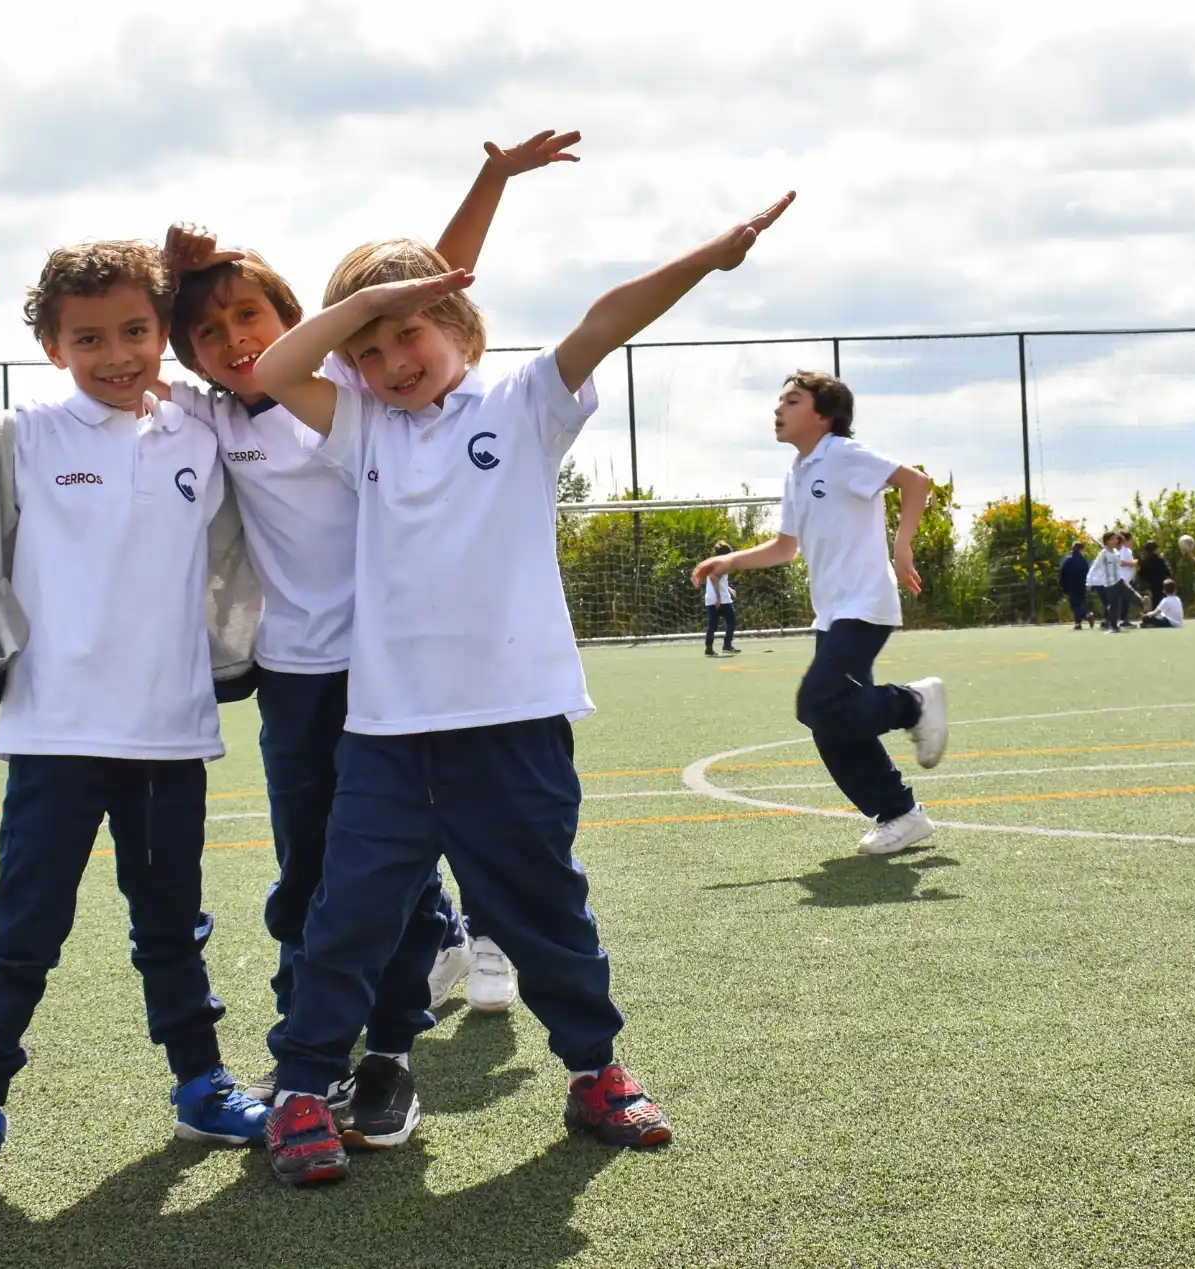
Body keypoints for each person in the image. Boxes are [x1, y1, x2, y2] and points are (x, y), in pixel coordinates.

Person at [250, 191, 799, 1187]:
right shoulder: (363, 427)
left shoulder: (522, 407)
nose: (389, 364)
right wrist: (380, 301)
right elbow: (277, 366)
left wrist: (710, 256)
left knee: (546, 909)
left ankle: (595, 1071)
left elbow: (604, 320)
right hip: (384, 732)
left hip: (514, 724)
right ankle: (300, 1088)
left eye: (409, 335)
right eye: (368, 351)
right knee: (347, 918)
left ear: (462, 326)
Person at [157, 133, 573, 1119]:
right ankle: (314, 1048)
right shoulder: (215, 420)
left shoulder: (351, 388)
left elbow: (427, 285)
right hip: (301, 676)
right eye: (209, 335)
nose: (233, 340)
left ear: (299, 319)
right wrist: (176, 278)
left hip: (400, 671)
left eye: (249, 315)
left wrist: (493, 179)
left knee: (391, 870)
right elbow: (130, 349)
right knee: (312, 876)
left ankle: (389, 1054)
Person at [0, 248, 268, 1209]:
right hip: (52, 736)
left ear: (160, 332)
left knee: (173, 928)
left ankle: (201, 1087)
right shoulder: (26, 435)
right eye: (88, 337)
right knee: (23, 934)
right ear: (52, 345)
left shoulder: (200, 429)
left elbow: (284, 426)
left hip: (171, 735)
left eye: (136, 330)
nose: (117, 354)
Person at [692, 371, 947, 858]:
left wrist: (903, 546)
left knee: (815, 701)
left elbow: (914, 482)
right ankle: (899, 813)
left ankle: (913, 703)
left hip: (865, 605)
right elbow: (786, 548)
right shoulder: (798, 471)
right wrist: (730, 560)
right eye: (779, 401)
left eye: (792, 400)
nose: (778, 409)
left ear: (823, 414)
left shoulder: (843, 454)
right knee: (829, 722)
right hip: (833, 613)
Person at [703, 539, 738, 655]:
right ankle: (727, 645)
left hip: (710, 598)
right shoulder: (721, 564)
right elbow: (714, 578)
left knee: (712, 624)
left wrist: (728, 588)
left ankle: (708, 648)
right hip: (721, 599)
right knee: (731, 621)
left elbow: (717, 579)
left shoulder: (712, 563)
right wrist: (718, 597)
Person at [1087, 532, 1123, 633]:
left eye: (1116, 539)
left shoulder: (1116, 552)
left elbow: (1117, 569)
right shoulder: (1102, 554)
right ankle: (1108, 622)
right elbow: (1093, 567)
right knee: (1110, 603)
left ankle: (1107, 621)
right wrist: (1088, 582)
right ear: (1107, 541)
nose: (1115, 541)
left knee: (1111, 603)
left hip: (1111, 582)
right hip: (1101, 583)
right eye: (1112, 539)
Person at [1058, 541, 1090, 629]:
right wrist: (1088, 585)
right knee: (1079, 603)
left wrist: (1062, 585)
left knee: (1075, 604)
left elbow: (1062, 573)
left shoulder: (1067, 560)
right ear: (1080, 550)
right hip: (1081, 586)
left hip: (1070, 586)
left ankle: (1079, 622)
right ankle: (1086, 616)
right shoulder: (1084, 562)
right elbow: (1088, 574)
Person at [1137, 540, 1171, 612]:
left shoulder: (1145, 561)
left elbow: (1141, 573)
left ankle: (1151, 617)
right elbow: (1167, 572)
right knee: (1160, 602)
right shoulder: (1160, 560)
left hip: (1149, 585)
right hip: (1161, 584)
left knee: (1153, 602)